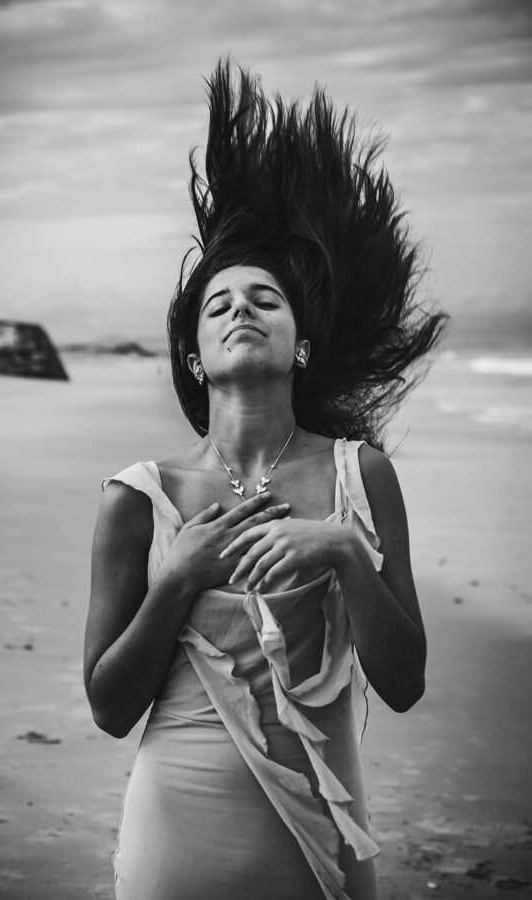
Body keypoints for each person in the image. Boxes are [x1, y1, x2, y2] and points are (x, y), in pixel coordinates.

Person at [84, 60, 448, 900]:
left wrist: (346, 555)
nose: (241, 309)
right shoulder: (137, 498)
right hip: (175, 838)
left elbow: (404, 684)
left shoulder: (363, 474)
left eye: (265, 300)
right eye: (218, 306)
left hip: (325, 840)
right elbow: (108, 707)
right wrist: (178, 577)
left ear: (302, 345)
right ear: (193, 358)